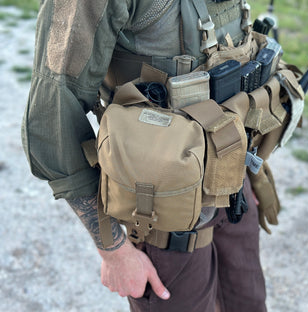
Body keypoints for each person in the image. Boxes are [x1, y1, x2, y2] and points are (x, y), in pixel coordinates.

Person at [22, 1, 282, 311]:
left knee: (248, 302)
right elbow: (52, 115)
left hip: (235, 189)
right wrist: (114, 250)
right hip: (162, 217)